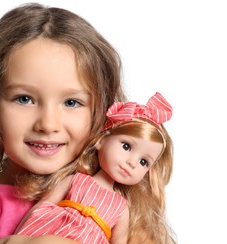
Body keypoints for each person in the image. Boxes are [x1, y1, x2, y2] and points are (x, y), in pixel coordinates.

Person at [0, 2, 126, 244]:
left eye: (71, 102)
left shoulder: (115, 201)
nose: (48, 124)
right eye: (24, 99)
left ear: (100, 112)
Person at [13, 92, 176, 244]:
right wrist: (17, 238)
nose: (132, 162)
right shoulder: (75, 180)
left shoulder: (121, 208)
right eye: (126, 146)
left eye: (143, 162)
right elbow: (42, 207)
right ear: (101, 140)